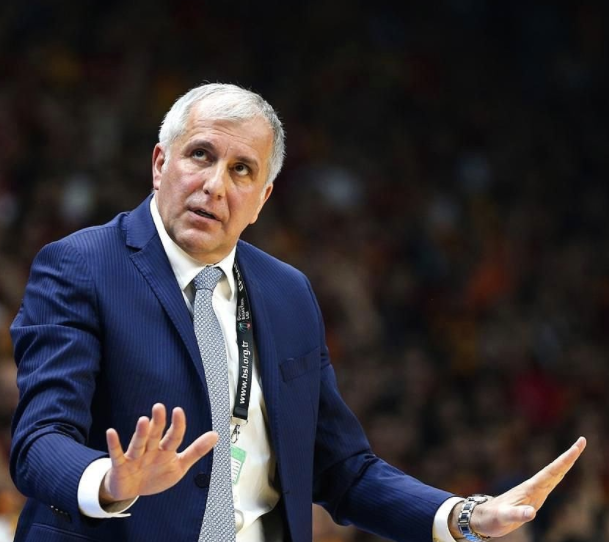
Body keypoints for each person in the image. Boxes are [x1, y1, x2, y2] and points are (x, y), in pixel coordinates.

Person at [9, 83, 585, 542]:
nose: (214, 185)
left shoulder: (288, 293)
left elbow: (342, 468)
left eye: (242, 169)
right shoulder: (81, 266)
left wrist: (463, 516)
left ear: (262, 199)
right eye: (200, 155)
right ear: (160, 164)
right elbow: (39, 441)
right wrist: (110, 482)